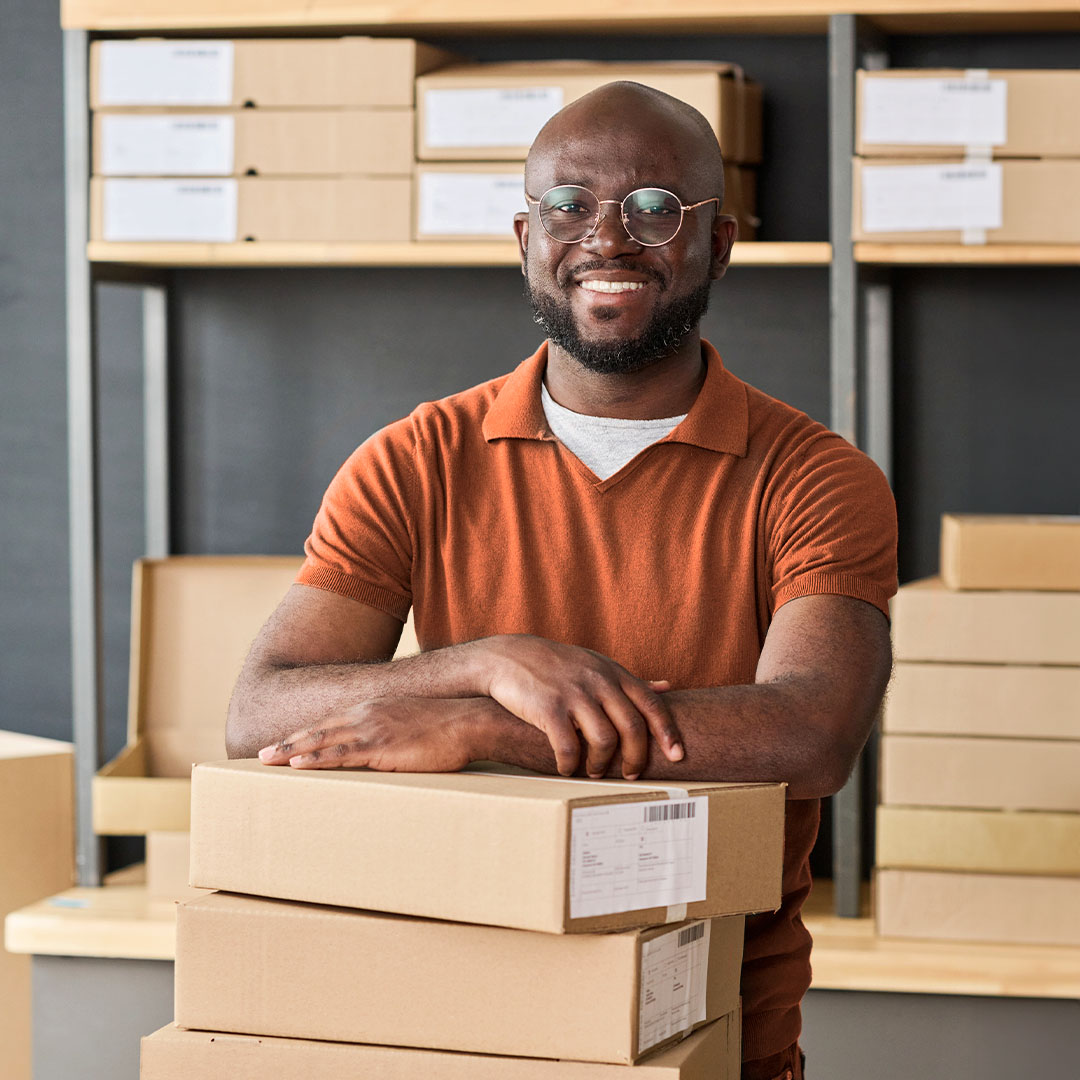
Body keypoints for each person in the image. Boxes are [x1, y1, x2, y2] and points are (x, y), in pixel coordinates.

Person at [227, 81, 897, 1080]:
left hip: (712, 1028)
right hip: (459, 1014)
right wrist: (496, 665)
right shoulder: (415, 458)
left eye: (656, 209)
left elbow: (809, 734)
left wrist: (495, 729)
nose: (608, 239)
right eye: (569, 205)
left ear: (718, 245)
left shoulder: (813, 476)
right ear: (524, 236)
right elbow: (260, 712)